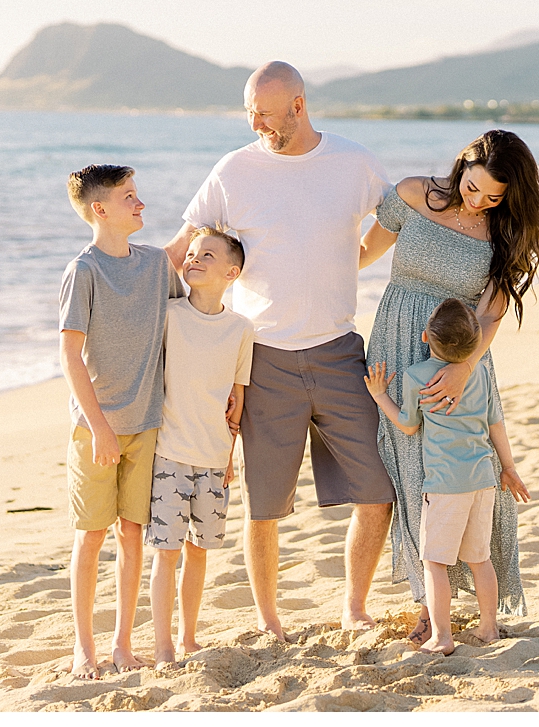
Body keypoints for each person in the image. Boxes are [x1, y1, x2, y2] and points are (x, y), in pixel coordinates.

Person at [165, 61, 395, 639]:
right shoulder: (233, 170)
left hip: (340, 353)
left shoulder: (352, 161)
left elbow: (395, 217)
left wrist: (355, 258)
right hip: (262, 359)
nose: (256, 124)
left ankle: (354, 606)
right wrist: (117, 293)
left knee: (377, 489)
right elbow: (182, 249)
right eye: (249, 113)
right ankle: (270, 620)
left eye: (264, 113)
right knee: (264, 506)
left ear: (298, 105)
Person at [358, 129, 539, 643]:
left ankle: (459, 598)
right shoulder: (412, 195)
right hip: (397, 345)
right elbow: (358, 257)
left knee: (459, 469)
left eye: (494, 197)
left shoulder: (502, 234)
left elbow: (490, 314)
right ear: (462, 165)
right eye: (474, 188)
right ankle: (428, 603)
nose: (480, 202)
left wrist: (464, 367)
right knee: (409, 468)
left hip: (463, 356)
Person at [59, 164, 183, 678]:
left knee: (133, 534)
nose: (141, 204)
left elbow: (191, 314)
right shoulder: (84, 271)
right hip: (97, 429)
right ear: (100, 210)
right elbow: (69, 355)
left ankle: (122, 644)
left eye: (138, 195)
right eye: (129, 197)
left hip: (147, 422)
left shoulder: (156, 266)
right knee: (91, 536)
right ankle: (83, 648)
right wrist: (101, 429)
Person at [364, 298, 531, 655]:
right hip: (483, 480)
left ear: (424, 336)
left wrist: (380, 395)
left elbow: (408, 425)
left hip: (443, 486)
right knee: (480, 558)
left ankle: (442, 634)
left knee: (434, 562)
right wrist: (509, 466)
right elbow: (494, 421)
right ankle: (488, 627)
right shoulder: (481, 372)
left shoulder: (417, 376)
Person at [146, 227, 255, 667]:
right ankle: (163, 645)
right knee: (166, 553)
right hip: (169, 455)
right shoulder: (169, 315)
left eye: (207, 254)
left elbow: (237, 405)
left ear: (231, 272)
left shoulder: (240, 329)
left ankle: (189, 637)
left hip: (214, 462)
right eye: (191, 253)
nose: (194, 259)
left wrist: (229, 461)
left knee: (198, 552)